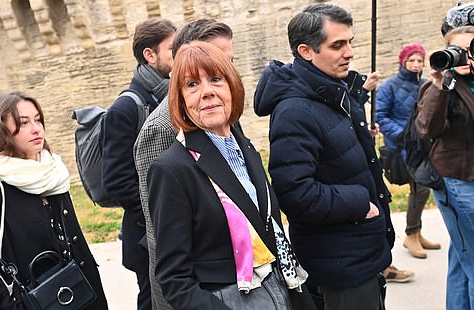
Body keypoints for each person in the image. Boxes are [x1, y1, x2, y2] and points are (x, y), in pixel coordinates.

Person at [147, 40, 314, 310]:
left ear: (232, 86)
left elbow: (269, 226)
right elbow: (174, 280)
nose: (207, 92)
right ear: (180, 99)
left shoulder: (244, 147)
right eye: (192, 85)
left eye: (215, 79)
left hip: (280, 287)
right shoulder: (171, 169)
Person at [254, 3, 395, 309]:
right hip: (340, 265)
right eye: (338, 45)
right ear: (306, 52)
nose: (350, 53)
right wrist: (360, 202)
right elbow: (294, 193)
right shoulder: (295, 110)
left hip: (361, 253)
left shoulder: (331, 91)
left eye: (350, 42)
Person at [0, 92, 108, 309]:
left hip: (84, 295)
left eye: (38, 119)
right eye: (23, 122)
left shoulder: (52, 172)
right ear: (1, 129)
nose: (36, 128)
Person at [133, 18, 235, 309]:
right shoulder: (163, 127)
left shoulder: (221, 111)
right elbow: (160, 228)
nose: (226, 73)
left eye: (228, 63)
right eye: (215, 64)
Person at [416, 25, 474, 309]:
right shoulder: (440, 86)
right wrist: (439, 82)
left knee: (464, 259)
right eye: (457, 51)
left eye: (472, 50)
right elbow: (427, 128)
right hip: (459, 182)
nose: (465, 57)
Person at [101, 17, 175, 310]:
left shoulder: (167, 94)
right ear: (150, 54)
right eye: (172, 50)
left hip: (170, 226)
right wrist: (157, 213)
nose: (179, 56)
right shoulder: (126, 107)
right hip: (146, 234)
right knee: (152, 301)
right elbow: (116, 180)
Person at [376, 43, 441, 259]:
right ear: (402, 62)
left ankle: (416, 232)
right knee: (420, 189)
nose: (415, 65)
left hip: (423, 147)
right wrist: (404, 136)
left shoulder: (425, 84)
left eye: (419, 61)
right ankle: (411, 235)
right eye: (411, 61)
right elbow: (381, 116)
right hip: (401, 148)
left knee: (421, 189)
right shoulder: (389, 86)